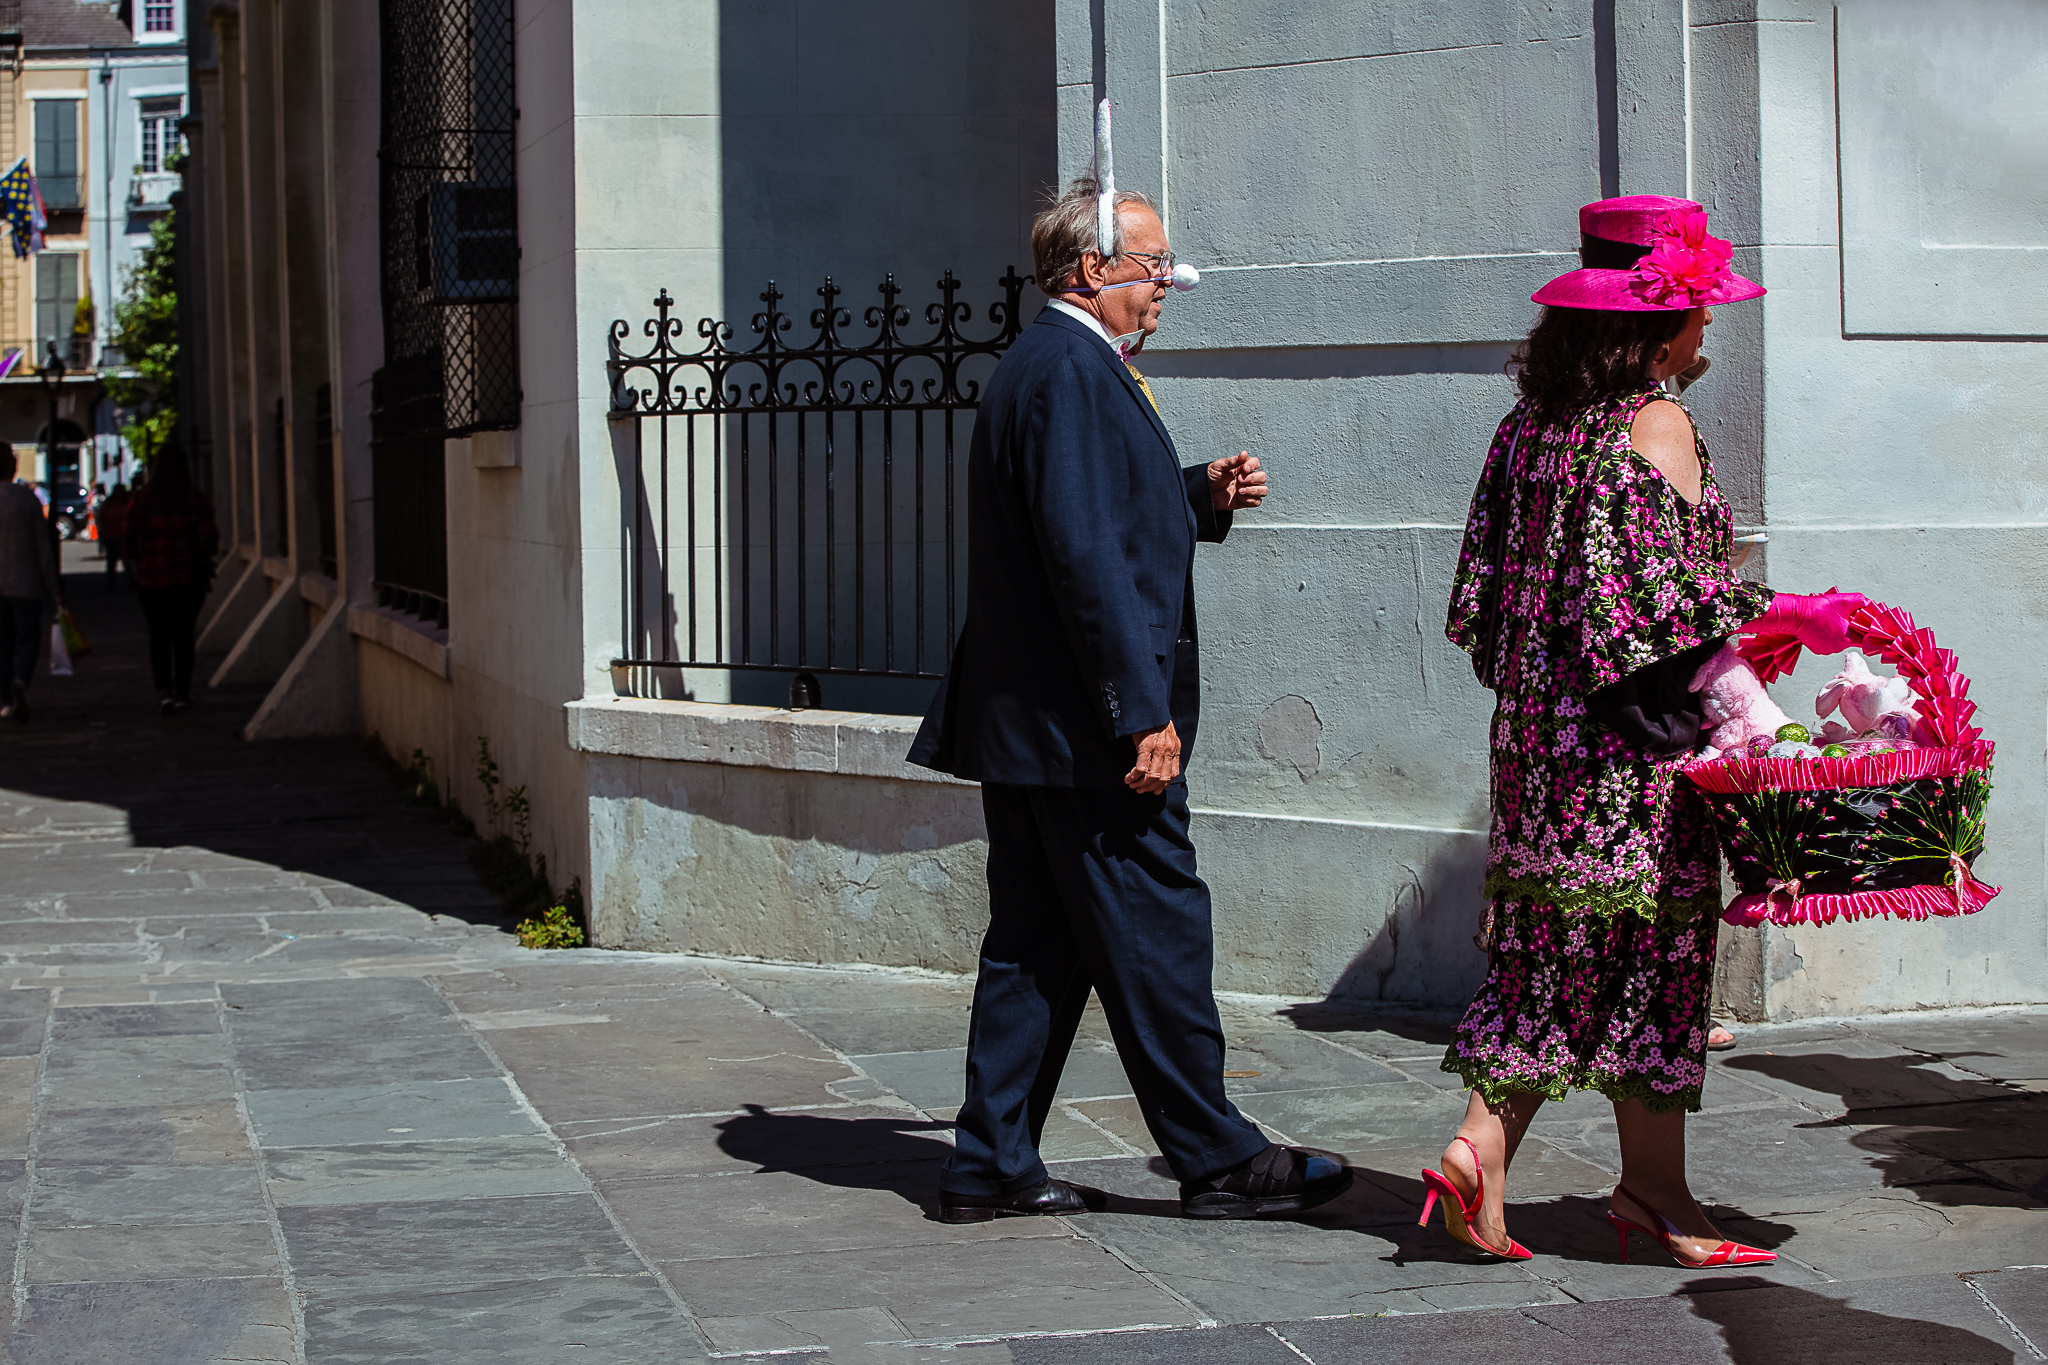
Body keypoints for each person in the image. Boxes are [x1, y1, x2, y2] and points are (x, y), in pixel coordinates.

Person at [1425, 196, 1863, 1268]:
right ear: (1650, 323)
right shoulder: (1650, 427)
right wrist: (1782, 618)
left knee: (1551, 957)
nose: (1705, 330)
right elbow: (1661, 619)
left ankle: (1608, 1181)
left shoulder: (1525, 430)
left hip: (1536, 759)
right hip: (1636, 764)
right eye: (1698, 311)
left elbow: (1475, 609)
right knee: (1653, 960)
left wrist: (1540, 695)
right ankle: (1548, 1165)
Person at [908, 177, 1351, 1225]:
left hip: (1034, 733)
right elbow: (1082, 556)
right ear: (1088, 272)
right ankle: (1217, 1157)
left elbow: (1091, 512)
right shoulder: (1068, 370)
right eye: (1152, 267)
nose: (1166, 284)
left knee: (1034, 948)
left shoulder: (1058, 365)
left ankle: (989, 1161)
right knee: (1155, 933)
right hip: (1082, 736)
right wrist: (1135, 712)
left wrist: (1193, 493)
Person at [124, 451, 219, 715]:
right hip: (186, 578)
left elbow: (129, 541)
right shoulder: (194, 499)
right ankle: (182, 692)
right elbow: (209, 537)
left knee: (159, 637)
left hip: (152, 580)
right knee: (184, 636)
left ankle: (164, 691)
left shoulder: (142, 501)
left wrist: (141, 561)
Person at [0, 474, 61, 723]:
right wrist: (54, 588)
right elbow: (43, 548)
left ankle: (5, 700)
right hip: (25, 583)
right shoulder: (27, 499)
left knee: (2, 644)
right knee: (28, 640)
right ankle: (20, 679)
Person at [97, 481, 133, 579]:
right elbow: (102, 519)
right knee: (112, 560)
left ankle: (131, 580)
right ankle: (112, 580)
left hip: (124, 536)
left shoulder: (127, 503)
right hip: (112, 536)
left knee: (127, 560)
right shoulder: (109, 504)